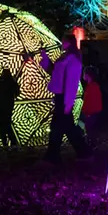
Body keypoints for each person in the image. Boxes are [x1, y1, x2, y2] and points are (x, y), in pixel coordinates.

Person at [39, 35, 92, 164]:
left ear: (69, 42)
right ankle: (82, 153)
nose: (62, 43)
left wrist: (68, 102)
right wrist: (44, 57)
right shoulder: (64, 57)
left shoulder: (72, 59)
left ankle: (54, 156)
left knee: (60, 127)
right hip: (60, 97)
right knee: (65, 127)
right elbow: (54, 72)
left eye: (64, 41)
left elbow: (71, 82)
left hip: (64, 97)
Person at [0, 68, 19, 150]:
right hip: (9, 106)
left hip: (0, 106)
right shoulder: (13, 83)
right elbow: (17, 93)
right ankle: (13, 143)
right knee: (7, 124)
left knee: (1, 125)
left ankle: (5, 143)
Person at [81, 66, 103, 148]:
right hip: (90, 113)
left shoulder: (93, 87)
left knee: (90, 131)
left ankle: (91, 146)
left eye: (84, 73)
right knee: (89, 130)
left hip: (91, 113)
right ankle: (91, 145)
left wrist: (88, 112)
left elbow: (93, 102)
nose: (82, 75)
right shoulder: (90, 86)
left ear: (88, 75)